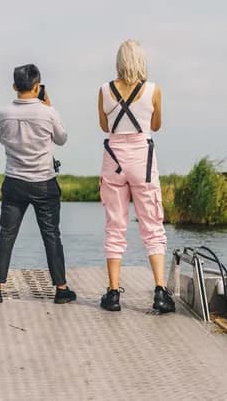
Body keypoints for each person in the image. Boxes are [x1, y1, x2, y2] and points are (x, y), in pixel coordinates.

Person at [0, 65, 77, 304]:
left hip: (14, 181)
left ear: (14, 86)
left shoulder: (2, 114)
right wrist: (48, 105)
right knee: (51, 235)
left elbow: (3, 139)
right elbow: (62, 138)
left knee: (6, 234)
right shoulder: (48, 113)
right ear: (37, 87)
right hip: (44, 182)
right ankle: (61, 288)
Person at [97, 40, 175, 313]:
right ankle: (160, 291)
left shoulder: (104, 90)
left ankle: (113, 292)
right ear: (141, 61)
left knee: (115, 226)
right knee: (153, 225)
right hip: (143, 160)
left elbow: (105, 125)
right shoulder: (153, 90)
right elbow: (155, 125)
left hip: (114, 160)